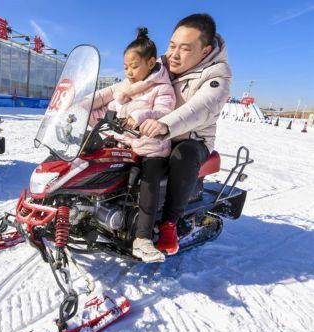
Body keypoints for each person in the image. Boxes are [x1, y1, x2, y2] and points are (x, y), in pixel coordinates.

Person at [136, 13, 232, 255]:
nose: (174, 54)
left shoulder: (217, 75)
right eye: (172, 45)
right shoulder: (161, 66)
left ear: (204, 50)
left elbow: (200, 108)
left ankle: (169, 223)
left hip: (193, 139)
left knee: (183, 154)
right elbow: (130, 86)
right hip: (157, 136)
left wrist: (165, 125)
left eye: (185, 49)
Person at [89, 28, 176, 263]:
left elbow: (164, 112)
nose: (129, 71)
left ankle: (142, 238)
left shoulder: (162, 87)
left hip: (152, 148)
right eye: (126, 67)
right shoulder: (125, 89)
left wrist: (140, 118)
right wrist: (83, 115)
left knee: (148, 182)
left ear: (150, 63)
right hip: (126, 144)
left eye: (134, 66)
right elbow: (109, 113)